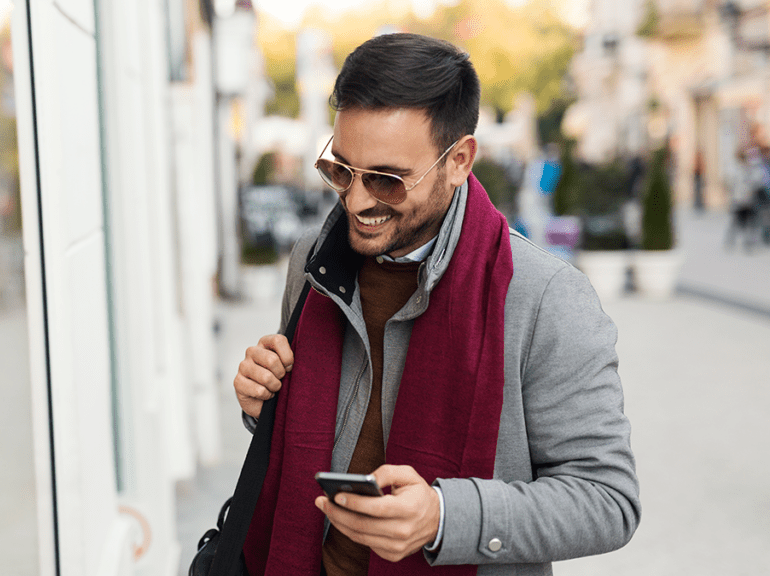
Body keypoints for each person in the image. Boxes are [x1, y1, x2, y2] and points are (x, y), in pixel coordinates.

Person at [233, 34, 640, 576]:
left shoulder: (545, 297)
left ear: (459, 161)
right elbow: (313, 439)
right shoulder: (313, 260)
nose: (356, 200)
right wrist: (263, 403)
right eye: (340, 170)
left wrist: (446, 518)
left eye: (387, 179)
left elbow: (607, 500)